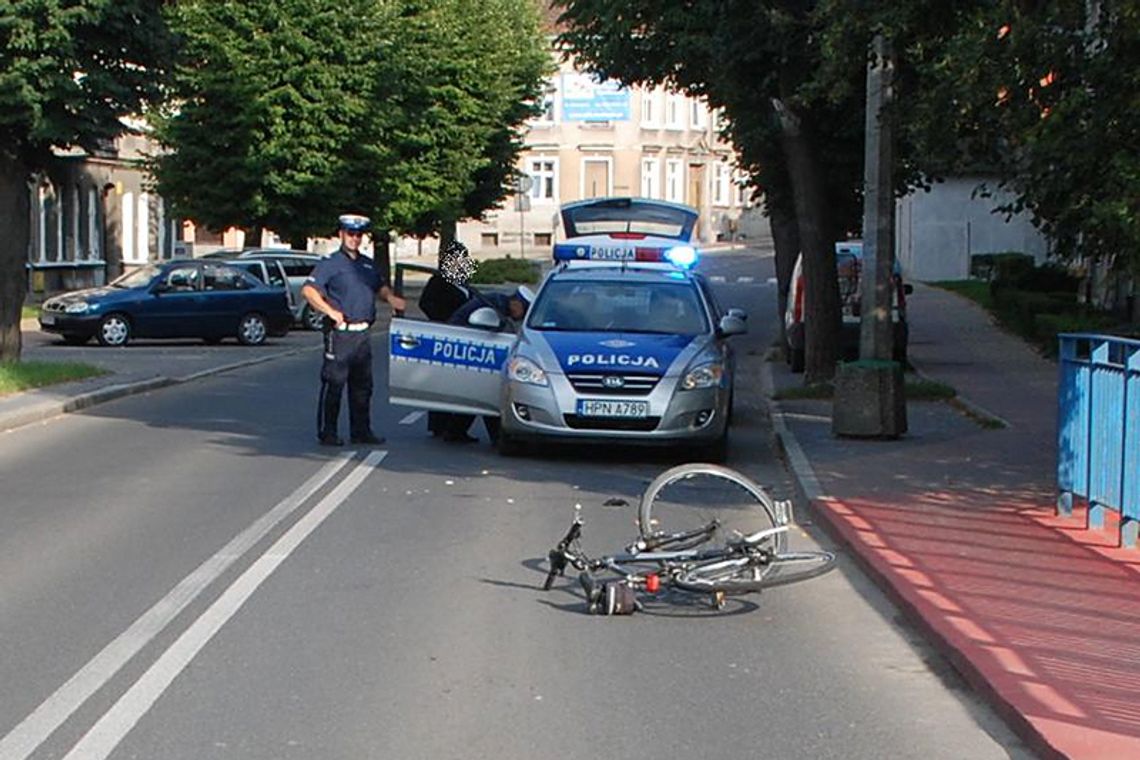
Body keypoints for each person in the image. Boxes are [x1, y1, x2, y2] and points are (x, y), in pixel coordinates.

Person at [301, 214, 406, 446]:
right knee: (334, 383)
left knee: (362, 386)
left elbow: (379, 287)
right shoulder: (330, 264)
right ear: (341, 234)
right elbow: (309, 291)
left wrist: (391, 299)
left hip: (362, 333)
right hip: (340, 333)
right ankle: (328, 432)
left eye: (358, 235)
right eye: (350, 234)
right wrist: (329, 311)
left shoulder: (367, 264)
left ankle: (361, 431)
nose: (355, 239)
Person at [440, 285, 533, 444]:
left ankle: (455, 431)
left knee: (477, 391)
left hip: (464, 343)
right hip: (459, 343)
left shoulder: (499, 304)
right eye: (524, 311)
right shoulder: (495, 307)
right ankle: (494, 436)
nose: (521, 317)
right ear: (517, 303)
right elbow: (490, 331)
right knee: (486, 390)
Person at [419, 240, 477, 438]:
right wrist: (443, 319)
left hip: (463, 337)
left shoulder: (463, 282)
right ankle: (439, 425)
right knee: (441, 382)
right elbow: (424, 303)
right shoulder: (439, 281)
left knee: (460, 382)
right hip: (444, 334)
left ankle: (455, 427)